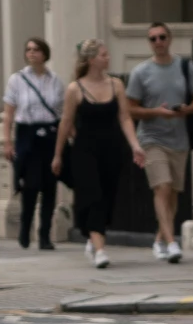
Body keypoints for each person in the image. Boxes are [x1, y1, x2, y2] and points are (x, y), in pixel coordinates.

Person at [55, 39, 144, 271]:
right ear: (92, 59)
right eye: (104, 55)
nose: (108, 58)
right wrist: (57, 155)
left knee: (107, 197)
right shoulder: (75, 89)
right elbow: (66, 123)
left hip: (113, 150)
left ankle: (92, 239)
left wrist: (135, 145)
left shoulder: (116, 85)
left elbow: (125, 118)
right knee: (92, 195)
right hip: (85, 151)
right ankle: (100, 249)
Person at [124, 20, 193, 262]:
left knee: (173, 194)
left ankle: (159, 239)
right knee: (162, 187)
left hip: (179, 139)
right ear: (149, 42)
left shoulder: (185, 67)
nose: (158, 42)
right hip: (152, 138)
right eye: (153, 39)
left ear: (169, 39)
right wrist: (157, 111)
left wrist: (186, 110)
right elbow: (130, 109)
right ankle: (171, 242)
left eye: (162, 37)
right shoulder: (140, 72)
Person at [1, 37, 63, 250]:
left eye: (36, 49)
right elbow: (9, 113)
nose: (32, 53)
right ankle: (25, 229)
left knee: (50, 186)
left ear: (45, 53)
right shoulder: (17, 80)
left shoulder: (55, 80)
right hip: (27, 135)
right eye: (28, 49)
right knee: (31, 185)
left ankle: (44, 235)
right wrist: (7, 141)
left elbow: (61, 112)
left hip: (50, 134)